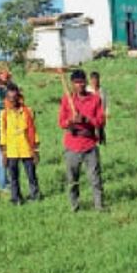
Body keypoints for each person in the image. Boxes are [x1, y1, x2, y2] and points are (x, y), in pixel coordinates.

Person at [59, 69, 105, 211]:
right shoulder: (67, 99)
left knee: (95, 178)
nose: (79, 85)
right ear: (72, 84)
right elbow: (61, 122)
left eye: (82, 82)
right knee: (72, 179)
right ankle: (75, 206)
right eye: (76, 82)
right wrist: (70, 121)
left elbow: (101, 121)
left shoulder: (95, 99)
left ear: (86, 82)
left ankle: (99, 206)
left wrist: (86, 119)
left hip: (89, 143)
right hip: (72, 144)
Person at [0, 84, 41, 205]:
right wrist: (4, 152)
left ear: (19, 97)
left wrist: (36, 150)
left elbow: (33, 131)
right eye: (10, 98)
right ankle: (16, 198)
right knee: (13, 176)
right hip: (11, 150)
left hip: (27, 148)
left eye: (14, 98)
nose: (12, 101)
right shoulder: (4, 114)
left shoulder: (28, 111)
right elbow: (3, 133)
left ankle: (35, 196)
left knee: (31, 174)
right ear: (7, 98)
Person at [87, 71, 108, 145]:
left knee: (101, 128)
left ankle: (101, 142)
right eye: (93, 80)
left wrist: (105, 113)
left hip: (100, 113)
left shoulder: (102, 90)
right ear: (90, 80)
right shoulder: (87, 90)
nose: (95, 82)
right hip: (90, 113)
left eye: (96, 79)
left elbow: (105, 102)